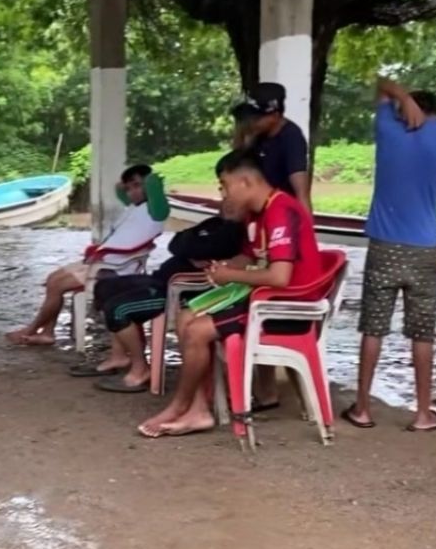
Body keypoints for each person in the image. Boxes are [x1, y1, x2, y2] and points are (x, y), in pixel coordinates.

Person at [138, 150, 322, 438]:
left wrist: (231, 276)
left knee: (197, 331)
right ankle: (198, 409)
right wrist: (224, 267)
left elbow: (279, 277)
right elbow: (247, 258)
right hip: (265, 299)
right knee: (185, 315)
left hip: (286, 307)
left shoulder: (280, 210)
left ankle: (179, 406)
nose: (223, 193)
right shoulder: (256, 215)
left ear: (245, 181)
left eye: (225, 185)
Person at [342, 78, 436, 432]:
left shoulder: (387, 126)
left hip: (383, 246)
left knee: (373, 328)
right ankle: (423, 413)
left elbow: (380, 82)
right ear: (435, 112)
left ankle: (362, 409)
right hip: (424, 248)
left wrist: (400, 97)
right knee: (422, 333)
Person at [74, 215, 247, 393]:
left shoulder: (234, 232)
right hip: (160, 279)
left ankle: (140, 368)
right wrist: (191, 249)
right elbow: (177, 242)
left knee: (118, 309)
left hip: (176, 290)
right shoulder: (215, 223)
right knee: (104, 287)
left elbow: (194, 247)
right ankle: (119, 356)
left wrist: (191, 247)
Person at [6, 164, 167, 346]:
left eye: (137, 185)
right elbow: (119, 189)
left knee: (57, 286)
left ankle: (32, 330)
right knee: (52, 279)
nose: (132, 192)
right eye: (129, 188)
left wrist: (151, 182)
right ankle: (47, 332)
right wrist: (130, 185)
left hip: (114, 269)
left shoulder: (157, 211)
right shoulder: (135, 207)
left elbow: (154, 187)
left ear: (149, 186)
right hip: (105, 260)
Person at [231, 82, 312, 211]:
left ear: (274, 116)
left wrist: (306, 222)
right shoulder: (257, 134)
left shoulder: (291, 137)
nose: (252, 123)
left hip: (281, 211)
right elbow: (235, 165)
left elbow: (301, 193)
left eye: (257, 119)